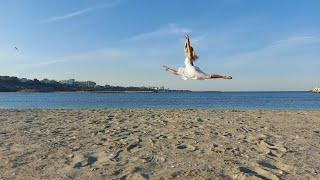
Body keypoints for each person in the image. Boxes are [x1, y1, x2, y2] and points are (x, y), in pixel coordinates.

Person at [164, 35, 232, 80]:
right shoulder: (187, 55)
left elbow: (187, 47)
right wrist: (186, 41)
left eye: (188, 49)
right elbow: (185, 48)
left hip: (192, 70)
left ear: (190, 50)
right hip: (189, 69)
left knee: (209, 76)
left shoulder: (189, 56)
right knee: (178, 72)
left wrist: (188, 40)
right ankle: (168, 69)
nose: (186, 50)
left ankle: (224, 76)